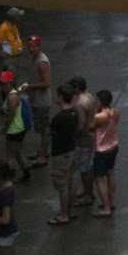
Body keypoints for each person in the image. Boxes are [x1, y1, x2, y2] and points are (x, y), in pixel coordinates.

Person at [47, 85, 79, 226]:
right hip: (72, 149)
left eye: (57, 94)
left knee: (62, 185)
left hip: (60, 154)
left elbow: (50, 132)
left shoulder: (59, 117)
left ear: (61, 96)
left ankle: (63, 214)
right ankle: (71, 210)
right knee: (71, 181)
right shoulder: (74, 113)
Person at [90, 89, 120, 216]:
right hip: (113, 145)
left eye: (96, 100)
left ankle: (106, 208)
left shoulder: (98, 116)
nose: (95, 102)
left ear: (101, 101)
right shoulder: (115, 112)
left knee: (99, 178)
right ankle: (111, 202)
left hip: (101, 150)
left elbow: (91, 127)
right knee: (110, 173)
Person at [0, 71, 32, 184]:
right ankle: (27, 173)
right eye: (1, 83)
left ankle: (9, 180)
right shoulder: (13, 93)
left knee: (10, 156)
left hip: (14, 130)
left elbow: (11, 116)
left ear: (10, 83)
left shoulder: (12, 97)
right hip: (19, 128)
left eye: (4, 83)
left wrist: (4, 129)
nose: (2, 86)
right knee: (18, 152)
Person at [26, 34, 53, 168]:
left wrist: (29, 87)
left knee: (44, 129)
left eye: (34, 46)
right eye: (29, 46)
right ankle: (43, 152)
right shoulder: (35, 58)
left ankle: (43, 156)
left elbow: (47, 83)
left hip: (41, 101)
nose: (31, 49)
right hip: (37, 99)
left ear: (39, 46)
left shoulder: (42, 62)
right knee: (43, 128)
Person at [70, 76, 97, 206]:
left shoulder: (79, 104)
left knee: (84, 168)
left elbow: (80, 125)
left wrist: (75, 135)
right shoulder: (89, 96)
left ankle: (87, 195)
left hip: (84, 139)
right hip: (91, 136)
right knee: (88, 167)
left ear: (76, 86)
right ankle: (88, 192)